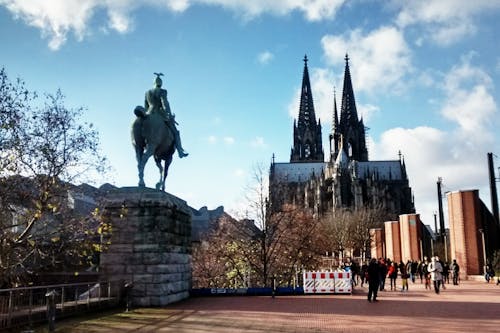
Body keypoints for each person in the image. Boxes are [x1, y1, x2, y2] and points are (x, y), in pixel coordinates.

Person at [145, 73, 188, 158]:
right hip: (160, 114)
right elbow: (165, 103)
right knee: (176, 132)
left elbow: (146, 107)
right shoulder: (163, 91)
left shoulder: (147, 92)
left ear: (154, 83)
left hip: (149, 114)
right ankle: (180, 151)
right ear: (161, 83)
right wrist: (169, 115)